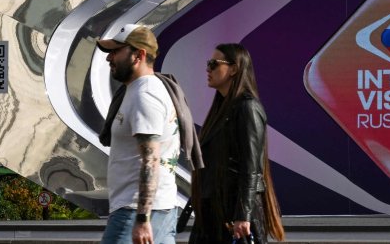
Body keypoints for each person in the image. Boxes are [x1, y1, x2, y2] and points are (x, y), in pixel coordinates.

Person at [190, 43, 285, 243]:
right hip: (213, 211)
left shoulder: (247, 107)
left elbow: (251, 168)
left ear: (234, 68)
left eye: (214, 64)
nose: (208, 69)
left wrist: (243, 215)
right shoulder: (221, 109)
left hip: (233, 213)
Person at [97, 24, 181, 244]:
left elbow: (151, 160)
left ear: (139, 55)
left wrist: (142, 219)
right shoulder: (141, 90)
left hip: (136, 212)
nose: (109, 59)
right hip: (155, 210)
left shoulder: (145, 95)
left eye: (116, 51)